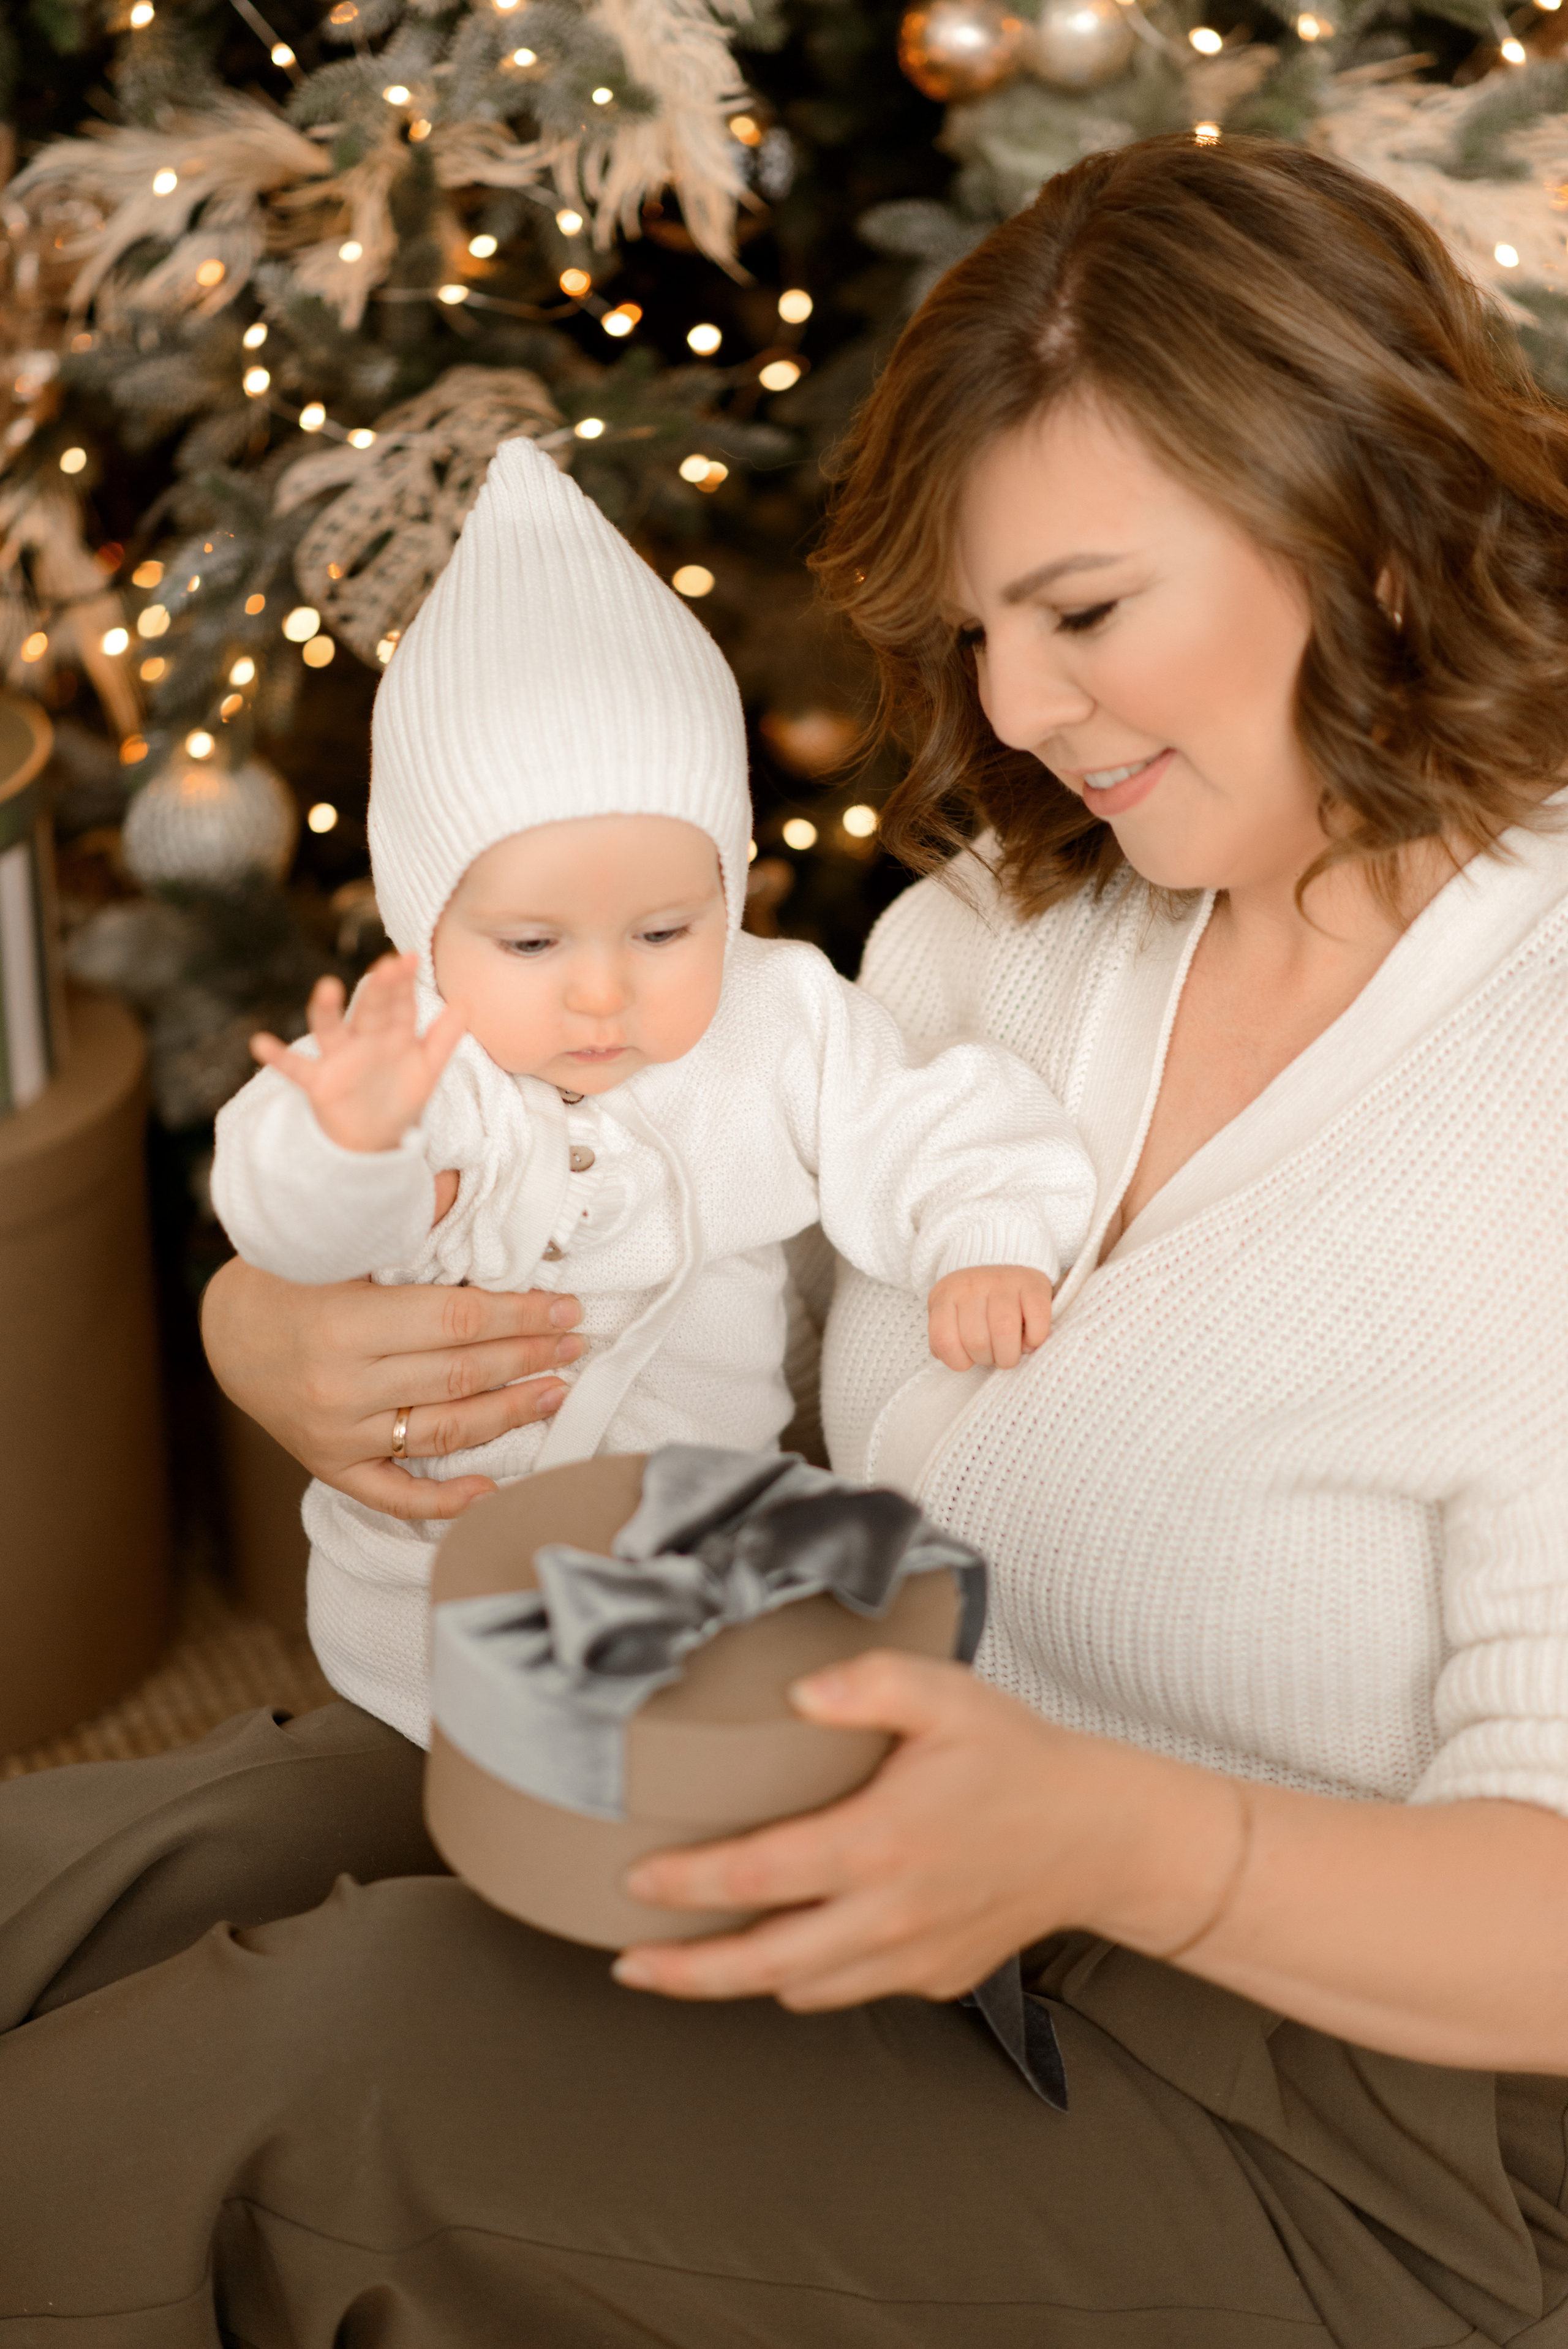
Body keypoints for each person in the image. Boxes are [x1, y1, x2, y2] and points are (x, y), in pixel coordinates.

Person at [6, 130, 1568, 2347]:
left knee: (297, 2076)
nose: (1015, 709)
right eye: (982, 633)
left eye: (1085, 613)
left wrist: (1120, 1841)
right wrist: (272, 1321)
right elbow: (657, 1250)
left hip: (1356, 2135)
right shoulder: (1003, 937)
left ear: (1374, 535)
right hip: (841, 1781)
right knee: (123, 1874)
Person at [210, 434, 1093, 1746]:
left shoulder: (775, 1019)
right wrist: (348, 1144)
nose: (601, 993)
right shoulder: (420, 1068)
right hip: (432, 1612)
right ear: (427, 928)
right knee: (456, 1801)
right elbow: (297, 1229)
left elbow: (929, 1118)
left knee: (768, 1720)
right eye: (531, 943)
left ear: (726, 893)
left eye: (665, 931)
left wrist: (983, 1235)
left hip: (700, 1576)